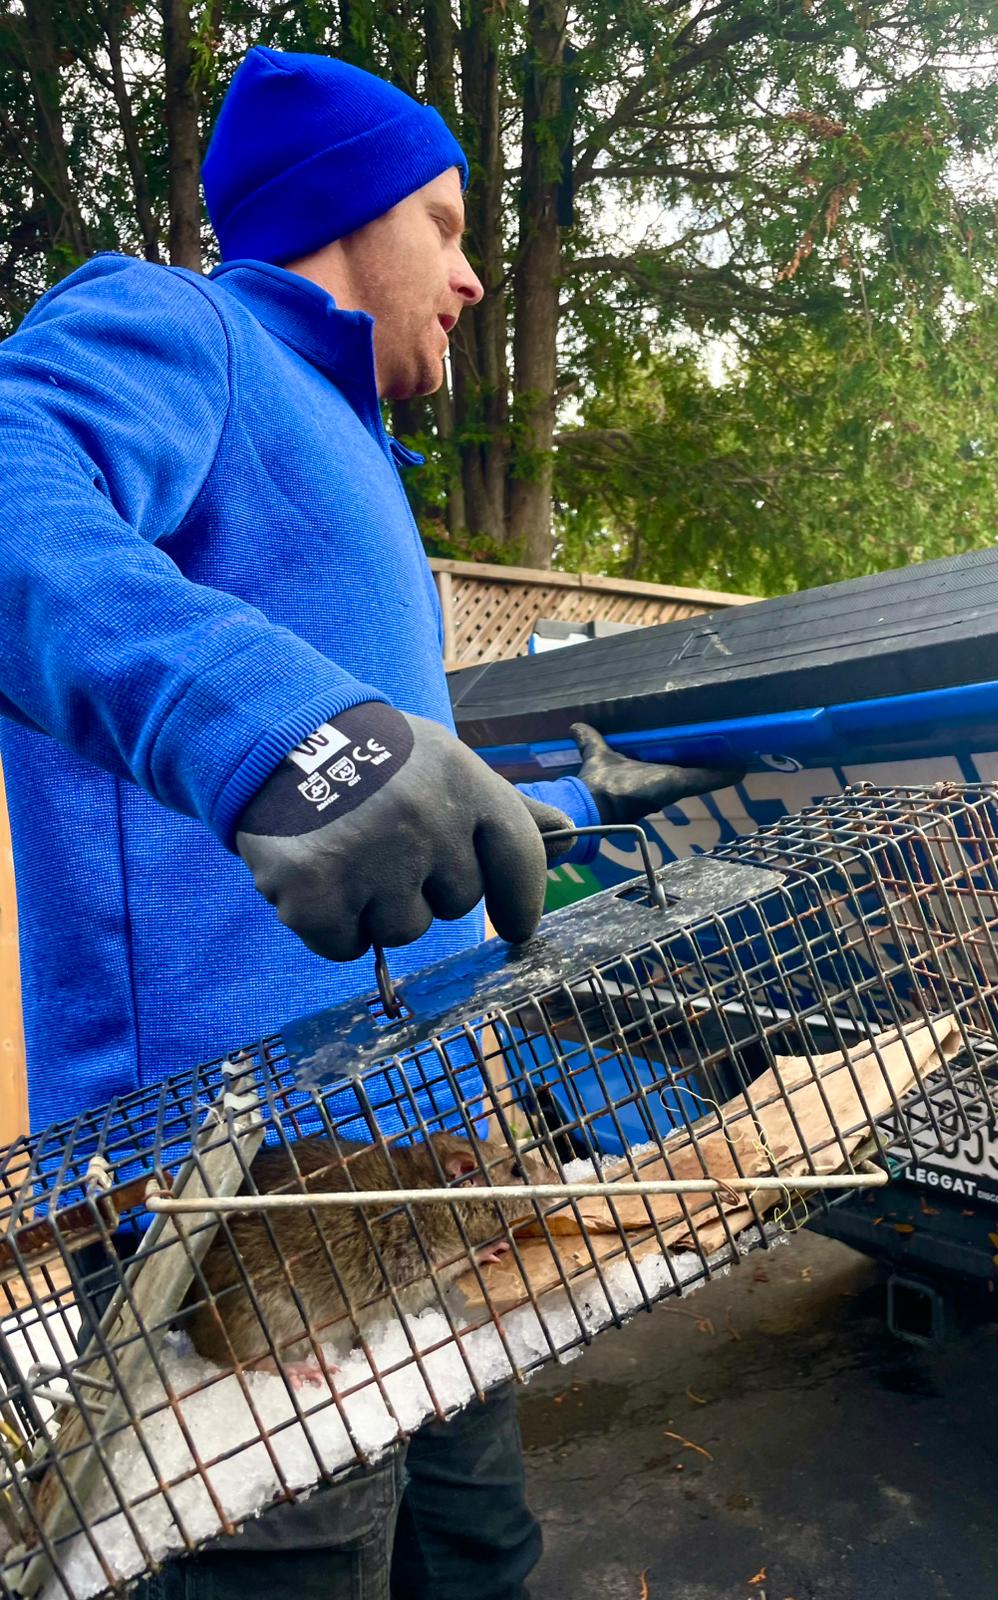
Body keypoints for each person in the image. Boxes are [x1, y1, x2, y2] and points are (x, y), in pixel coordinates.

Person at [0, 44, 738, 1600]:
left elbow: (396, 782)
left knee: (477, 1554)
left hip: (428, 1149)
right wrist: (283, 740)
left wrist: (562, 805)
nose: (472, 278)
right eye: (452, 224)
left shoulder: (358, 465)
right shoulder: (178, 326)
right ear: (351, 209)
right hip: (237, 1187)